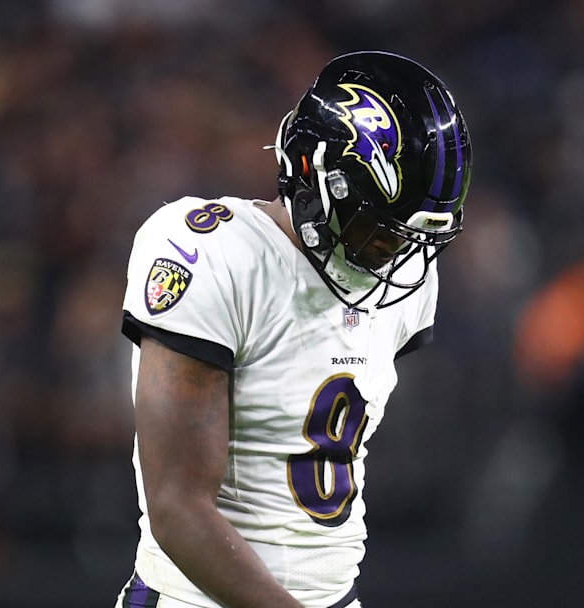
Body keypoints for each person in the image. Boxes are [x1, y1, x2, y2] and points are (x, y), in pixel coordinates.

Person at [116, 50, 472, 608]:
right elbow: (177, 507)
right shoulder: (213, 253)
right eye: (377, 232)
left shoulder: (406, 274)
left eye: (407, 239)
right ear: (314, 174)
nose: (392, 257)